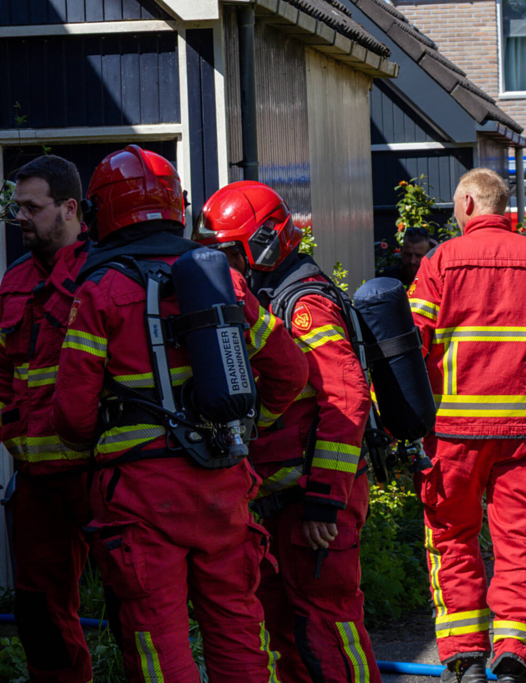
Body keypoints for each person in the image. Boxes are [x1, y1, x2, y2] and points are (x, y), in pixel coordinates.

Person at [54, 146, 308, 682]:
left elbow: (73, 417)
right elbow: (290, 372)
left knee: (157, 637)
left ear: (101, 211)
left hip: (140, 493)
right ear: (179, 207)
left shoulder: (100, 292)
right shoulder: (224, 281)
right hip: (223, 481)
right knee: (238, 626)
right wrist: (249, 426)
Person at [409, 168, 526, 683]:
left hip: (452, 434)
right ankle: (514, 654)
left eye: (454, 205)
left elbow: (412, 345)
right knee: (521, 543)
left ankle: (465, 659)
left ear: (469, 204)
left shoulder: (439, 262)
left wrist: (407, 420)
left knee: (452, 538)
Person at [196, 180, 380, 683]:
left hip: (313, 501)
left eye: (229, 253)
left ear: (264, 243)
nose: (223, 266)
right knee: (289, 633)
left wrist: (325, 499)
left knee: (327, 627)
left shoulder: (303, 304)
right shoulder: (267, 294)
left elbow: (346, 397)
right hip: (282, 502)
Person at [0, 156, 91, 683]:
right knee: (38, 612)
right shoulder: (13, 283)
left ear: (69, 209)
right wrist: (11, 432)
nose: (21, 218)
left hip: (102, 473)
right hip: (36, 482)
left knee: (138, 606)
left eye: (33, 208)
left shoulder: (102, 274)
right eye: (18, 208)